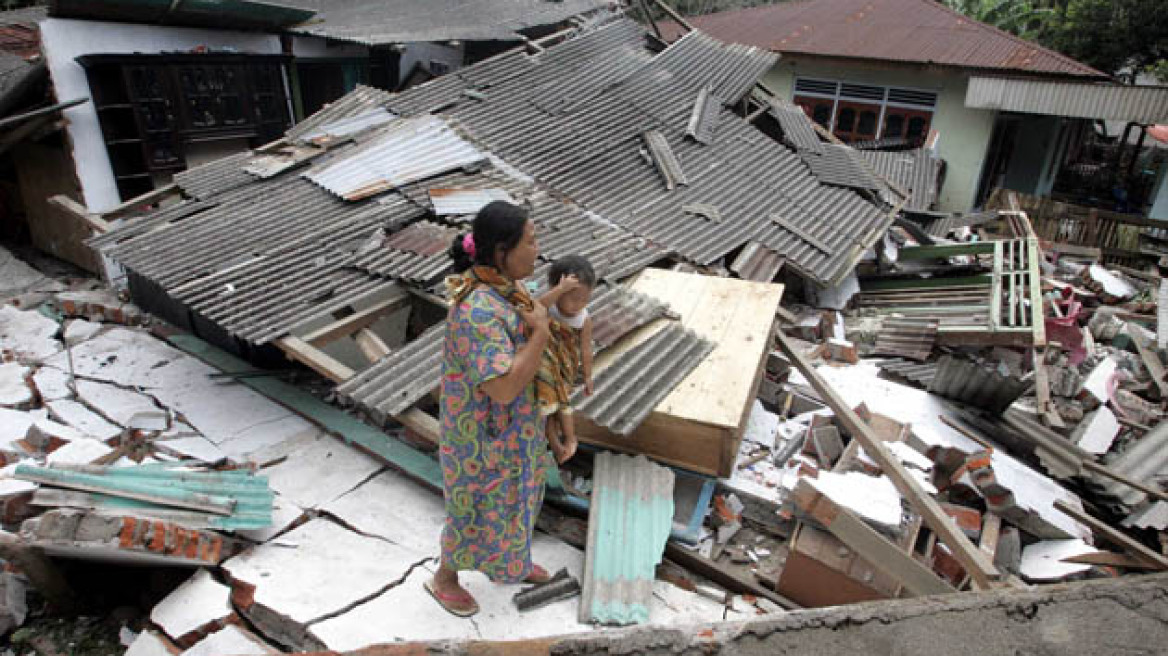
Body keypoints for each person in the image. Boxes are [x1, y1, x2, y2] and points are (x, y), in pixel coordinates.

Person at [426, 201, 554, 618]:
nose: (538, 250)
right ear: (501, 251)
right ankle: (445, 578)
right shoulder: (477, 311)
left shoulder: (509, 288)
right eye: (531, 242)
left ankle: (509, 562)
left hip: (515, 429)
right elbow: (502, 387)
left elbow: (532, 317)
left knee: (518, 497)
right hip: (479, 436)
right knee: (473, 508)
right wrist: (541, 335)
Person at [536, 256, 596, 464]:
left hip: (565, 367)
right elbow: (534, 310)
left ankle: (569, 439)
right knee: (549, 406)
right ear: (557, 287)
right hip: (546, 363)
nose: (578, 305)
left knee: (559, 406)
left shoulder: (583, 319)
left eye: (584, 300)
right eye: (573, 298)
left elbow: (585, 350)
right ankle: (558, 445)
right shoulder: (549, 306)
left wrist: (587, 376)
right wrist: (560, 290)